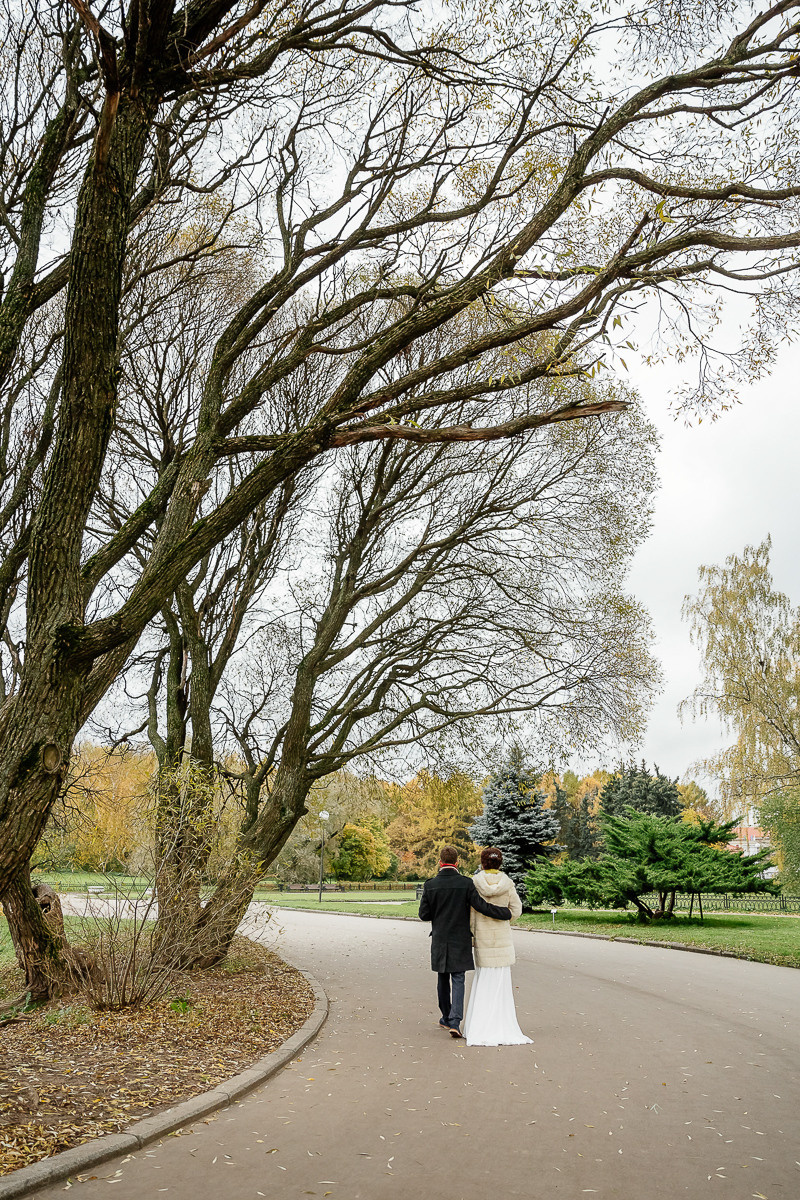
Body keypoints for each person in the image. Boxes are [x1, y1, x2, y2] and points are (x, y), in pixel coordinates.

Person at [418, 845, 513, 1039]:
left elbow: (424, 915)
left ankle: (445, 1016)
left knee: (442, 978)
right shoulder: (466, 883)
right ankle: (455, 1021)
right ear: (457, 862)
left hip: (440, 939)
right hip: (460, 938)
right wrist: (504, 913)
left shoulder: (430, 885)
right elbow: (481, 906)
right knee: (458, 978)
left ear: (440, 862)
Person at [463, 846, 532, 1047]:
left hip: (483, 940)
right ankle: (502, 1026)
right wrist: (503, 921)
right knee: (501, 986)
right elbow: (516, 910)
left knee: (483, 982)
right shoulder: (507, 884)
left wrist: (475, 930)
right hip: (501, 941)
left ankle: (479, 1026)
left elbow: (470, 914)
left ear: (482, 862)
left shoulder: (474, 883)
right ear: (500, 863)